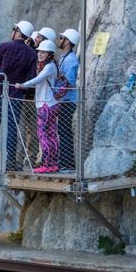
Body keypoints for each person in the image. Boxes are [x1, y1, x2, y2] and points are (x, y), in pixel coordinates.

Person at [0, 20, 38, 170]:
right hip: (16, 93)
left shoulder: (4, 47)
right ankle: (10, 161)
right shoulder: (31, 53)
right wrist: (21, 89)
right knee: (12, 127)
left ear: (18, 31)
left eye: (14, 29)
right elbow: (30, 77)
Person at [15, 39, 59, 173]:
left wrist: (23, 85)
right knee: (51, 134)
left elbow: (38, 79)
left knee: (43, 134)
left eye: (44, 52)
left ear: (50, 54)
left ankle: (46, 163)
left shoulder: (49, 67)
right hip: (51, 103)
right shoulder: (50, 65)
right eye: (39, 51)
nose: (40, 54)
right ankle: (53, 163)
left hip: (45, 104)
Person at [56, 28, 80, 172]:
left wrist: (60, 76)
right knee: (63, 130)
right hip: (64, 100)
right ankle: (65, 160)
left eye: (62, 38)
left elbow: (70, 82)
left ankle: (68, 163)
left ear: (68, 42)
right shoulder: (65, 57)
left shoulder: (71, 60)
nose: (60, 40)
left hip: (68, 100)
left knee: (64, 131)